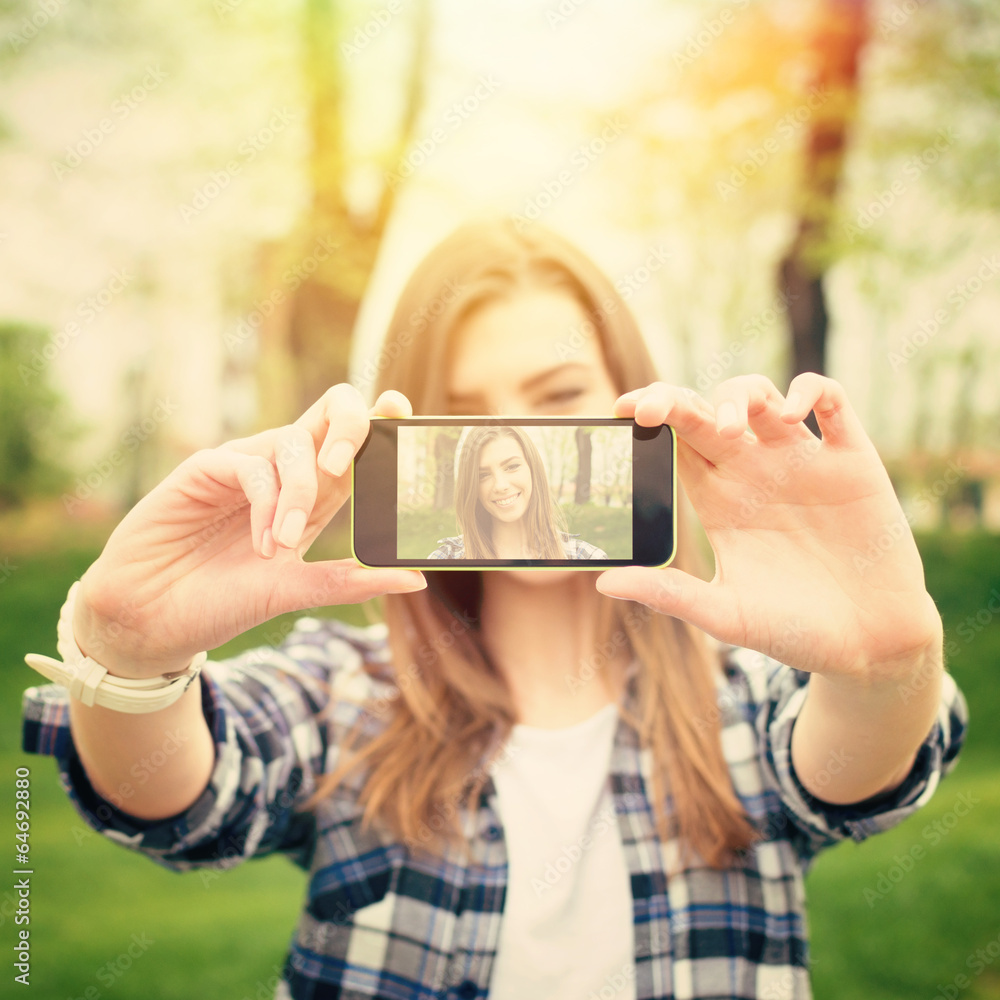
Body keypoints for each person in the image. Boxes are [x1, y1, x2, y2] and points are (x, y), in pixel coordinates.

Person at [21, 220, 967, 1000]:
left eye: (559, 397)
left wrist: (885, 670)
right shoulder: (342, 693)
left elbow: (859, 767)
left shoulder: (749, 701)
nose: (516, 447)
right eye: (467, 414)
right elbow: (176, 799)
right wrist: (128, 660)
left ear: (632, 403)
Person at [427, 424, 609, 559]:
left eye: (512, 466)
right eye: (482, 475)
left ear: (533, 470)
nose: (500, 485)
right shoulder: (445, 559)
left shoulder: (586, 558)